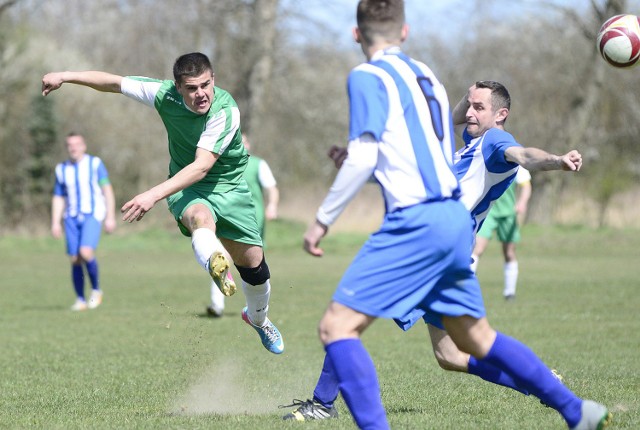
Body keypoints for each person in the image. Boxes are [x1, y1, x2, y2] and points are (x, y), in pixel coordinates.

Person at [285, 2, 610, 429]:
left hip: (418, 229)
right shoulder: (435, 97)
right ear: (404, 32)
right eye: (469, 105)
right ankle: (573, 407)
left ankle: (322, 404)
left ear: (355, 34)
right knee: (460, 350)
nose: (470, 112)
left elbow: (522, 154)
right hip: (450, 233)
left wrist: (554, 159)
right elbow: (404, 159)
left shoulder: (492, 139)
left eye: (480, 106)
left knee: (339, 325)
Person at [42, 53, 284, 354]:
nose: (201, 94)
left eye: (206, 85)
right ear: (178, 88)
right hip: (187, 187)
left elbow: (202, 166)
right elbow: (114, 83)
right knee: (199, 218)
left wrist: (151, 194)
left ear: (214, 80)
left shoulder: (225, 109)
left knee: (255, 269)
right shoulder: (163, 95)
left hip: (230, 188)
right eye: (192, 88)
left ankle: (258, 319)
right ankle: (213, 260)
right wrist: (66, 75)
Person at [206, 132, 279, 317]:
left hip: (253, 219)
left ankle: (255, 307)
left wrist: (272, 205)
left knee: (252, 263)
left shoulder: (258, 164)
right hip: (225, 215)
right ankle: (217, 304)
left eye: (244, 141)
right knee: (221, 257)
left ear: (248, 145)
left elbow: (272, 188)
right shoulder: (217, 163)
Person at [51, 132, 116, 311]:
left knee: (85, 252)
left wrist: (110, 216)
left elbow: (107, 190)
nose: (74, 148)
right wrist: (55, 222)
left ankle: (96, 290)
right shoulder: (61, 169)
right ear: (67, 148)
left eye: (77, 144)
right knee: (75, 259)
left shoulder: (95, 164)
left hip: (92, 214)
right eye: (70, 145)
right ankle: (80, 299)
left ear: (83, 146)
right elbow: (58, 197)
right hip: (70, 218)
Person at [471, 166, 532, 300]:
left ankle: (509, 293)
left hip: (509, 213)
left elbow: (526, 186)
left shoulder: (517, 165)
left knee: (509, 252)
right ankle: (467, 288)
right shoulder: (489, 160)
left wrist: (522, 203)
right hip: (489, 212)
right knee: (477, 249)